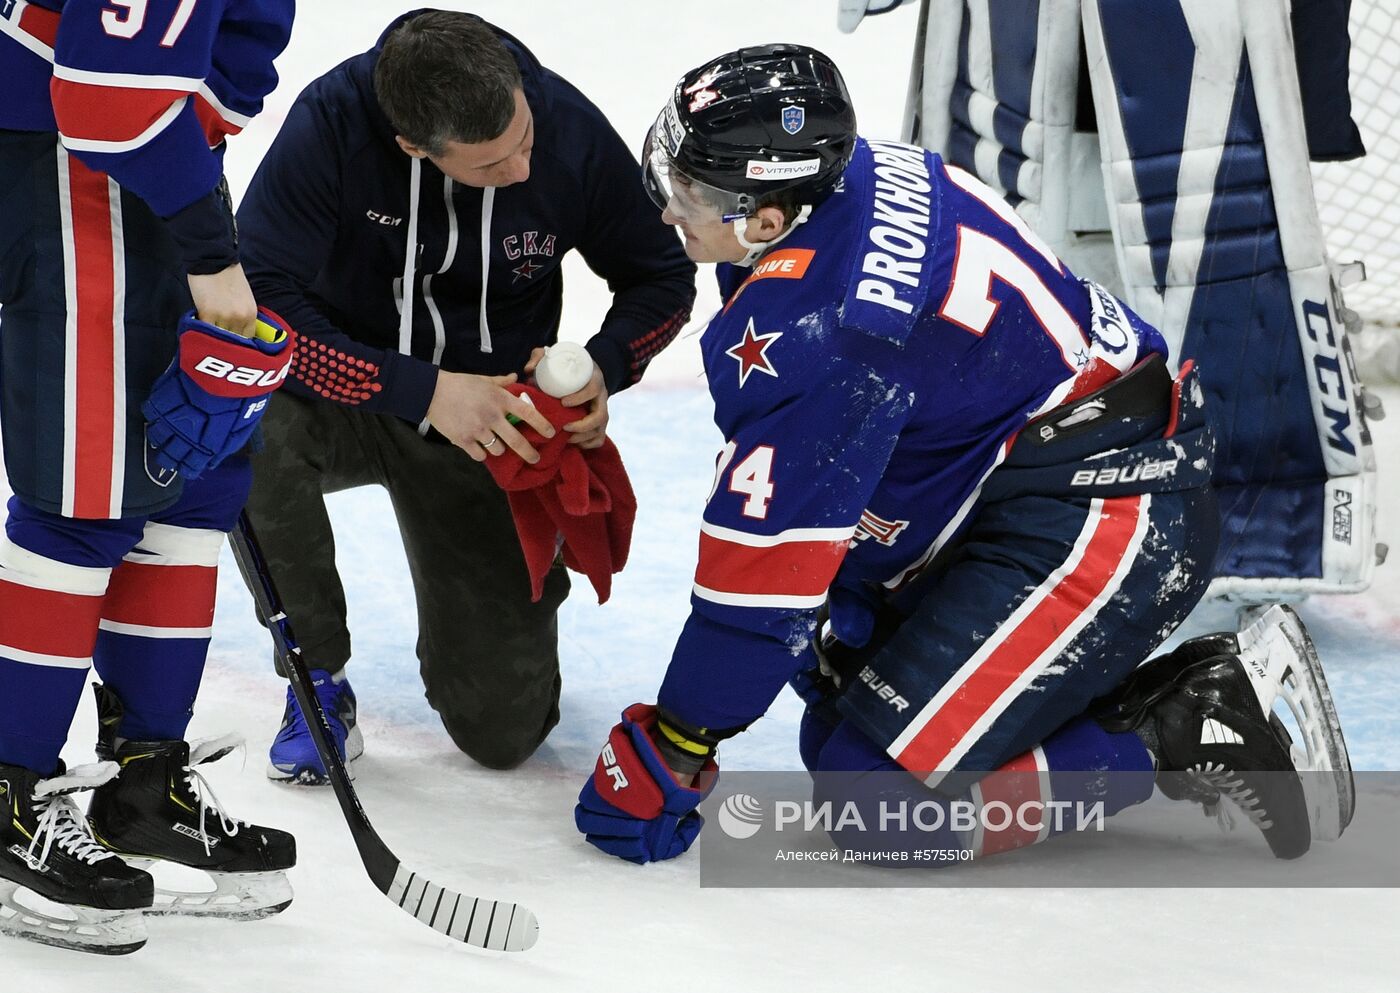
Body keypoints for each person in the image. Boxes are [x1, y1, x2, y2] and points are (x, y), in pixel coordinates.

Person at [573, 45, 1353, 866]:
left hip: (1112, 516)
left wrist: (678, 741)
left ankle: (1185, 720)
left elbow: (761, 592)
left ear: (766, 217)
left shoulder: (827, 332)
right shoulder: (851, 177)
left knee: (872, 802)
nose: (668, 208)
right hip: (1057, 461)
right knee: (838, 713)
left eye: (689, 191)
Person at [235, 9, 696, 783]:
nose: (521, 169)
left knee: (504, 734)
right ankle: (314, 678)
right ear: (412, 146)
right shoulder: (332, 125)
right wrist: (419, 389)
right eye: (490, 166)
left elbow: (662, 276)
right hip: (345, 392)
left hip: (493, 421)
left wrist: (604, 366)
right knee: (241, 420)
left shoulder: (563, 124)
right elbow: (259, 304)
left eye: (524, 140)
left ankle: (495, 619)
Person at [0, 0, 298, 956]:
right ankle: (8, 794)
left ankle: (143, 784)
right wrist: (212, 259)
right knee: (84, 493)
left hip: (153, 154)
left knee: (192, 477)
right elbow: (103, 98)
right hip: (71, 157)